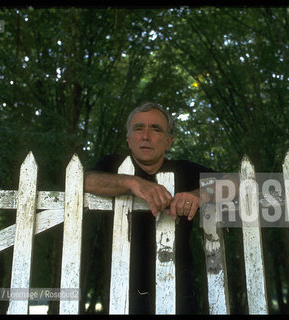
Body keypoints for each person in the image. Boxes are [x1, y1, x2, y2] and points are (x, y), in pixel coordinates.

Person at [84, 102, 213, 314]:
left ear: (168, 141)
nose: (145, 136)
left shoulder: (184, 171)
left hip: (178, 288)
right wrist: (132, 183)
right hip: (122, 287)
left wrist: (199, 195)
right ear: (128, 139)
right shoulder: (112, 165)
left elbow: (236, 184)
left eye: (155, 129)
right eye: (138, 128)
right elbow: (83, 181)